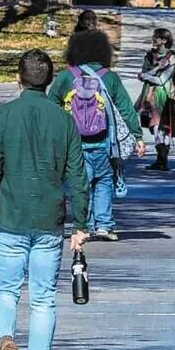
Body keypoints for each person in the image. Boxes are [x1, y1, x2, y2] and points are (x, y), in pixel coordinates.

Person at [0, 49, 89, 350]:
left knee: (4, 290)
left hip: (11, 218)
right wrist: (81, 223)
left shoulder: (3, 116)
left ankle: (5, 338)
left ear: (18, 79)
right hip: (49, 220)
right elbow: (78, 177)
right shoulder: (64, 120)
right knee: (43, 300)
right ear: (51, 81)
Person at [48, 28, 146, 241]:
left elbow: (51, 105)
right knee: (103, 181)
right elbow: (126, 108)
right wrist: (138, 136)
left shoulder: (66, 77)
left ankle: (85, 224)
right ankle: (104, 224)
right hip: (104, 143)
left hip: (74, 144)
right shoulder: (108, 78)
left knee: (80, 184)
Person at [137, 28, 175, 172]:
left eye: (157, 37)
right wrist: (155, 70)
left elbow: (163, 80)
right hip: (150, 94)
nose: (154, 39)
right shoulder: (150, 56)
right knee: (154, 126)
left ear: (164, 40)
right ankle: (161, 158)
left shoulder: (172, 57)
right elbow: (142, 74)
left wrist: (148, 75)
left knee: (163, 126)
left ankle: (163, 159)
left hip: (165, 94)